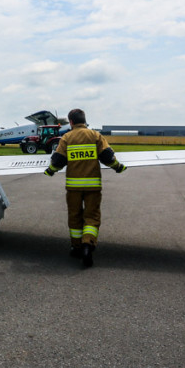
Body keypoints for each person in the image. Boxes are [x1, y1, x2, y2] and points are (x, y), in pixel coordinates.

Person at [44, 109, 126, 268]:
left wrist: (50, 171)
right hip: (92, 187)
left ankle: (76, 247)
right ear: (84, 120)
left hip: (73, 187)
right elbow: (108, 157)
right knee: (92, 216)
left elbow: (58, 160)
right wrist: (118, 167)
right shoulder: (95, 136)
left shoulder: (67, 137)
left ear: (71, 122)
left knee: (75, 216)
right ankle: (88, 245)